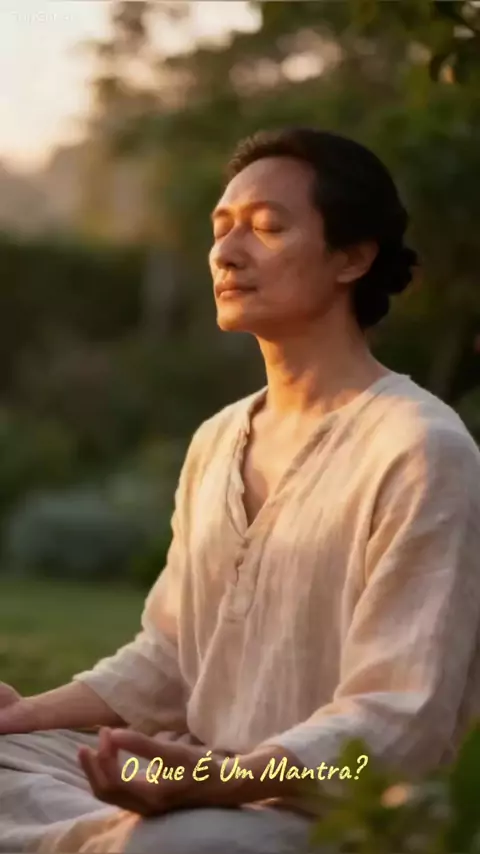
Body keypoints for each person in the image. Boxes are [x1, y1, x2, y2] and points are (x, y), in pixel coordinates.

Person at [1, 126, 480, 854]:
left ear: (353, 257)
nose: (227, 252)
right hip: (195, 773)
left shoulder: (419, 449)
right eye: (221, 228)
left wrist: (221, 781)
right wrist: (22, 716)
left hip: (341, 811)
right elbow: (169, 658)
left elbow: (396, 728)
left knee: (173, 844)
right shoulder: (218, 439)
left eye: (267, 227)